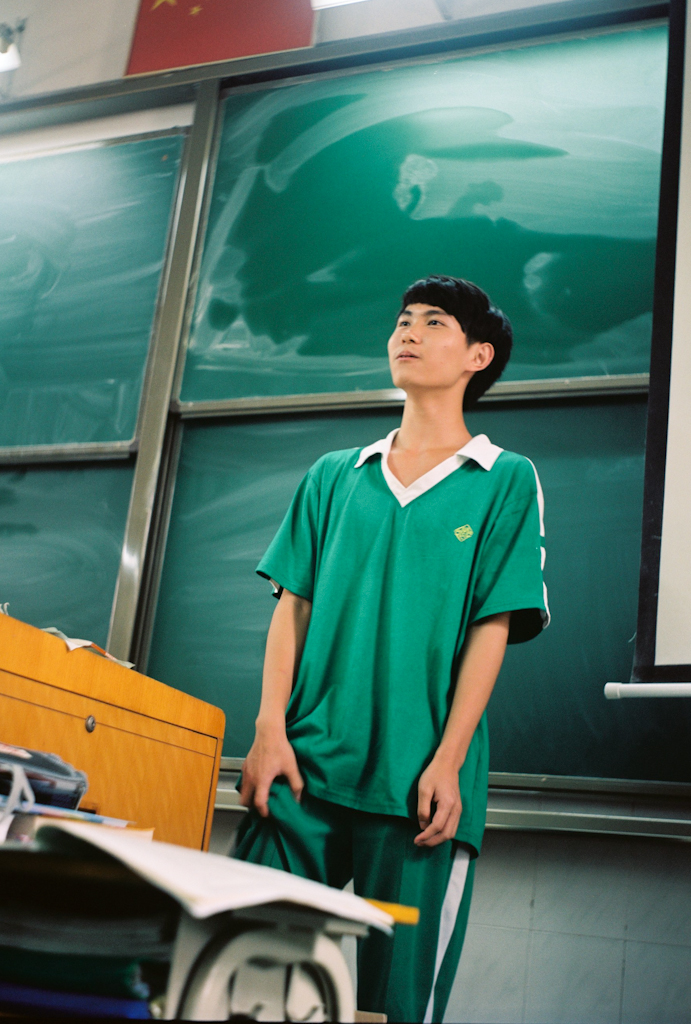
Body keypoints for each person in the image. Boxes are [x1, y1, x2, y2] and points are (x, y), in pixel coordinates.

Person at [234, 275, 549, 1022]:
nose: (407, 331)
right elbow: (293, 609)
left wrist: (449, 760)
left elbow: (493, 628)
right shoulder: (334, 475)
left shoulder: (505, 480)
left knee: (395, 1009)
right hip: (302, 769)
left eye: (433, 322)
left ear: (478, 356)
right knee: (236, 985)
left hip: (420, 788)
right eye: (403, 319)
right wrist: (268, 728)